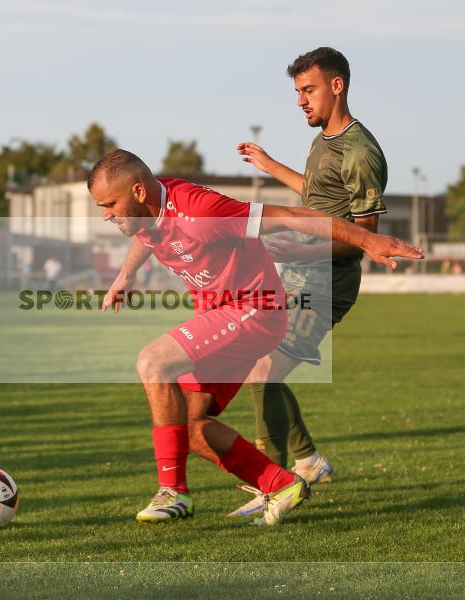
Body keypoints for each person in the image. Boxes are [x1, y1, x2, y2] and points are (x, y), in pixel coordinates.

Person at [89, 149, 421, 525]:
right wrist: (126, 275)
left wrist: (366, 240)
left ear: (137, 191)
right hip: (223, 315)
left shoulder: (202, 211)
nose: (106, 215)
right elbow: (144, 233)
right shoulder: (147, 210)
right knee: (189, 427)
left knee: (152, 361)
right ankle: (279, 484)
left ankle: (173, 492)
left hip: (255, 311)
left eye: (109, 205)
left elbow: (291, 216)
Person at [231, 47, 391, 517]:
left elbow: (365, 237)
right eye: (297, 91)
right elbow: (316, 193)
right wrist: (270, 164)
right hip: (298, 273)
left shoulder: (361, 151)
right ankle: (307, 461)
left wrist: (300, 250)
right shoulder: (326, 140)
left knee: (264, 372)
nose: (300, 100)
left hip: (327, 284)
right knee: (260, 369)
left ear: (336, 85)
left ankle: (273, 486)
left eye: (308, 90)